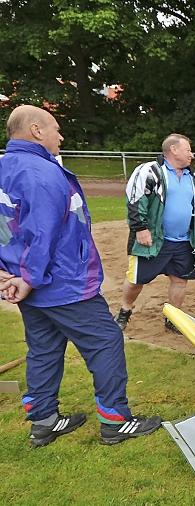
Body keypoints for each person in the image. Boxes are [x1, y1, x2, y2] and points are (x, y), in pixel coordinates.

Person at [0, 105, 162, 447]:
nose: (61, 136)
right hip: (61, 283)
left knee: (44, 349)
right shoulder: (40, 174)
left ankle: (44, 420)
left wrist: (8, 273)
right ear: (36, 130)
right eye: (56, 128)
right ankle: (115, 420)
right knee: (105, 340)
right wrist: (28, 277)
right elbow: (43, 233)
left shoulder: (6, 167)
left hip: (28, 282)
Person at [114, 134, 195, 333]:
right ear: (173, 150)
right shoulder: (149, 171)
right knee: (136, 280)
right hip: (153, 240)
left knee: (180, 280)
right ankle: (125, 309)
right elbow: (135, 199)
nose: (192, 155)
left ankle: (173, 318)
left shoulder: (194, 179)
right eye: (188, 150)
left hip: (184, 242)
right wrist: (140, 228)